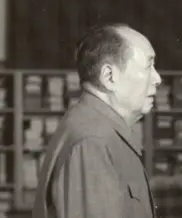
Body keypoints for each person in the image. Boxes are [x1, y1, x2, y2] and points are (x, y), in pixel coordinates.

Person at [32, 23, 162, 218]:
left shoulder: (101, 131)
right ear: (109, 77)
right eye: (148, 66)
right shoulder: (92, 142)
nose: (157, 78)